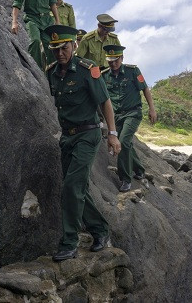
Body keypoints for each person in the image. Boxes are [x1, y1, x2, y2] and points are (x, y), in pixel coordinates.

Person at [44, 24, 122, 262]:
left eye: (64, 48)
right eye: (55, 49)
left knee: (71, 187)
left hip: (87, 136)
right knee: (77, 187)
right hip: (67, 137)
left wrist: (112, 133)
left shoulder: (88, 70)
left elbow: (105, 103)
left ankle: (69, 242)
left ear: (74, 46)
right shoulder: (51, 72)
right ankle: (99, 230)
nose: (60, 53)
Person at [101, 45, 157, 192]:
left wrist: (152, 109)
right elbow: (101, 98)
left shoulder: (133, 71)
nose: (113, 64)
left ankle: (125, 178)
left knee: (124, 142)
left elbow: (145, 88)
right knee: (126, 145)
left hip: (133, 113)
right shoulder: (104, 75)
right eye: (110, 61)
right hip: (116, 116)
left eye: (116, 60)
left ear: (122, 58)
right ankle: (139, 170)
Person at [11, 0, 60, 70]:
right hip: (32, 18)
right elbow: (17, 4)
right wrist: (14, 22)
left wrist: (57, 21)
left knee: (51, 45)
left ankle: (55, 73)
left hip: (47, 20)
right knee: (35, 41)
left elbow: (52, 3)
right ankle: (37, 71)